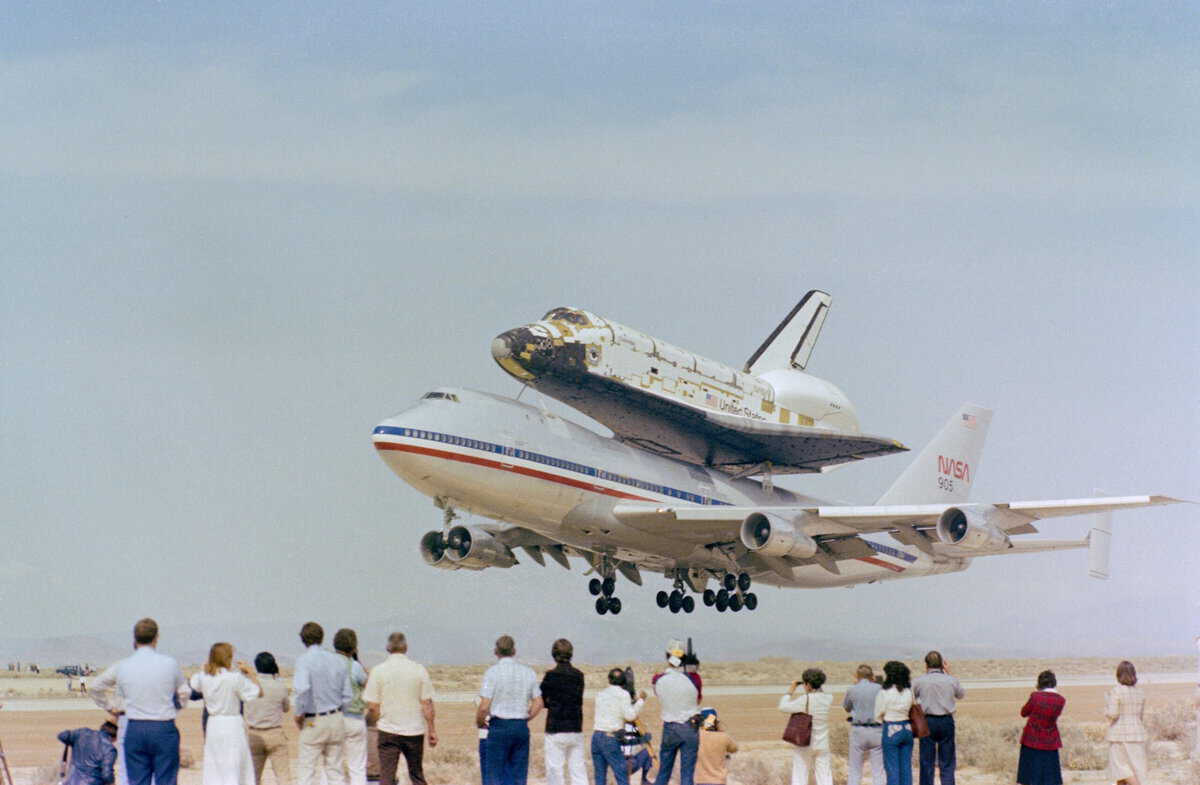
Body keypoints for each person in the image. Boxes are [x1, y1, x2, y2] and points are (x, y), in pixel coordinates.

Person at [90, 618, 192, 785]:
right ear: (156, 638)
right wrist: (176, 708)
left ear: (134, 639)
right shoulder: (169, 663)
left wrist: (110, 706)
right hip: (163, 727)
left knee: (136, 780)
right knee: (166, 779)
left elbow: (95, 686)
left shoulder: (123, 665)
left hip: (135, 727)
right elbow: (184, 691)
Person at [363, 632, 437, 785]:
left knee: (387, 776)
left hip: (388, 730)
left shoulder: (378, 671)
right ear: (406, 648)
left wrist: (372, 722)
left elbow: (373, 706)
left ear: (388, 648)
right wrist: (432, 729)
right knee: (416, 774)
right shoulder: (419, 670)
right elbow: (427, 703)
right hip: (414, 730)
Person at [189, 643, 262, 785]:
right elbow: (256, 692)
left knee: (215, 767)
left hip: (214, 724)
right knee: (235, 766)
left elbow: (194, 684)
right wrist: (251, 674)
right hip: (232, 723)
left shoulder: (204, 677)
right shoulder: (234, 678)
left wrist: (203, 669)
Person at [475, 635, 543, 785]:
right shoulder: (528, 672)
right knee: (518, 774)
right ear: (514, 651)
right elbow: (538, 702)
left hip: (499, 726)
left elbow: (484, 705)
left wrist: (479, 721)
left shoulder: (492, 673)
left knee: (495, 775)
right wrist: (526, 717)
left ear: (496, 651)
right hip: (520, 726)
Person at [293, 622, 353, 785]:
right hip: (336, 716)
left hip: (314, 719)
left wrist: (298, 713)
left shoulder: (304, 661)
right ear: (322, 637)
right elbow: (347, 695)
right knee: (335, 771)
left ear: (303, 640)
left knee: (307, 770)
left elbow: (302, 690)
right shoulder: (337, 661)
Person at [652, 640, 700, 785]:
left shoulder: (659, 680)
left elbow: (658, 692)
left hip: (670, 727)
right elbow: (697, 698)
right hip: (690, 726)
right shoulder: (694, 679)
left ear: (668, 657)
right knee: (687, 775)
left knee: (663, 773)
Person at [540, 639, 586, 785]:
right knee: (578, 770)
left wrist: (552, 704)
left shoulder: (551, 676)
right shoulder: (579, 675)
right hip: (575, 726)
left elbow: (542, 699)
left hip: (556, 727)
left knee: (555, 771)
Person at [912, 652, 963, 785]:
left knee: (926, 760)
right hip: (946, 721)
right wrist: (949, 672)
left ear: (926, 665)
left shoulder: (919, 681)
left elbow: (910, 696)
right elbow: (961, 694)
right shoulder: (951, 680)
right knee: (947, 760)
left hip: (927, 721)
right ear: (942, 664)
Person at [244, 652, 293, 785]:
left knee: (253, 777)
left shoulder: (249, 685)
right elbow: (286, 708)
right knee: (283, 777)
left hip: (254, 734)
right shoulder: (279, 685)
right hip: (275, 733)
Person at [778, 668, 832, 785]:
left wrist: (790, 691)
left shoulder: (805, 699)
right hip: (822, 742)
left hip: (805, 742)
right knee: (824, 775)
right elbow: (819, 693)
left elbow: (783, 707)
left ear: (807, 684)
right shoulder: (828, 698)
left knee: (800, 774)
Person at [592, 667, 646, 785]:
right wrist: (640, 701)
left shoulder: (600, 694)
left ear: (609, 680)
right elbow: (630, 716)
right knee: (622, 774)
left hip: (596, 737)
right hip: (610, 738)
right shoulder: (623, 694)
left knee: (600, 776)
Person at [334, 629, 370, 785]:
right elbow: (368, 685)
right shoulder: (355, 667)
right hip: (355, 719)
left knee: (332, 766)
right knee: (357, 767)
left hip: (332, 719)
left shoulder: (327, 664)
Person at [1016, 670, 1064, 785]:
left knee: (1030, 776)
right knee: (1049, 777)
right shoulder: (1060, 700)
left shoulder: (1035, 696)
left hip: (1032, 740)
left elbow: (1023, 712)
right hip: (1050, 741)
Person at [1104, 660, 1148, 785]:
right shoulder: (1140, 692)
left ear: (1118, 675)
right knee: (1136, 769)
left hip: (1119, 735)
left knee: (1121, 769)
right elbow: (1140, 715)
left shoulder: (1116, 691)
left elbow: (1113, 714)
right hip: (1138, 733)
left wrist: (1105, 709)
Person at [874, 661, 915, 785]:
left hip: (891, 728)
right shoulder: (909, 691)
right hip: (907, 729)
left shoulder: (884, 693)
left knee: (892, 769)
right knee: (906, 768)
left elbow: (877, 715)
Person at [844, 664, 885, 785]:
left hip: (858, 730)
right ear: (871, 676)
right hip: (877, 730)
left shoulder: (852, 689)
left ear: (857, 676)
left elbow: (847, 707)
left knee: (855, 769)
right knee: (878, 770)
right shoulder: (880, 688)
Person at [57, 721, 119, 785]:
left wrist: (70, 738)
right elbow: (107, 774)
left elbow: (62, 736)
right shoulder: (110, 749)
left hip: (71, 782)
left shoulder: (82, 733)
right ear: (114, 738)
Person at [695, 710, 737, 785]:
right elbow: (734, 749)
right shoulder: (723, 737)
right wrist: (721, 729)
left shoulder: (694, 736)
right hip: (718, 780)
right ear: (715, 722)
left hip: (699, 780)